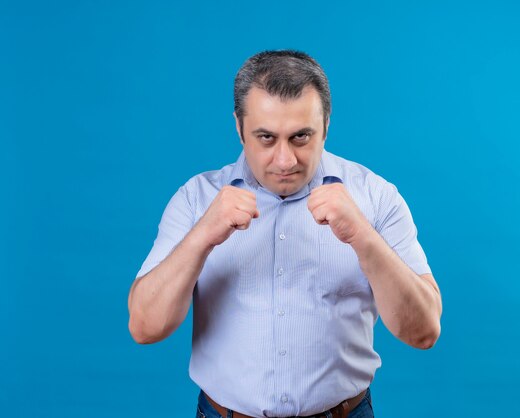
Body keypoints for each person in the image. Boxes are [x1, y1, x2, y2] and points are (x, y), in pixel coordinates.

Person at [128, 50, 442, 418]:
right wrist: (202, 236)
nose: (284, 160)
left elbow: (423, 331)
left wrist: (362, 236)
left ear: (326, 125)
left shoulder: (375, 197)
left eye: (300, 137)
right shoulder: (197, 199)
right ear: (239, 128)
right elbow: (145, 327)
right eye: (265, 137)